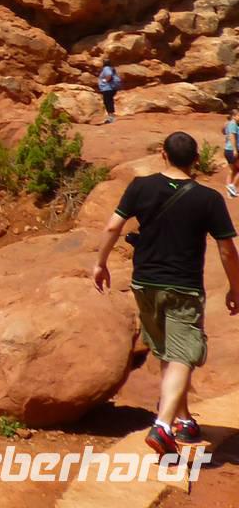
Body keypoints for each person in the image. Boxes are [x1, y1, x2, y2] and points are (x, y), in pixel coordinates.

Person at [92, 131, 239, 454]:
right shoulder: (209, 199)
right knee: (184, 353)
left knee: (167, 352)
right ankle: (162, 426)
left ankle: (182, 419)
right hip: (183, 286)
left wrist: (100, 263)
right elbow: (227, 250)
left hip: (145, 284)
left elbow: (112, 226)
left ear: (163, 154)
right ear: (196, 160)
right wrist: (235, 287)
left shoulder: (140, 187)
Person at [99, 60, 124, 125]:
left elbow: (109, 75)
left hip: (107, 88)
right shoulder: (111, 68)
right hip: (110, 88)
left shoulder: (106, 68)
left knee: (107, 102)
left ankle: (111, 117)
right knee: (109, 101)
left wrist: (105, 80)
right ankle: (111, 116)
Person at [224, 109, 239, 199]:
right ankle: (232, 187)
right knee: (235, 170)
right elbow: (232, 137)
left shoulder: (229, 124)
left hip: (227, 149)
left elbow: (225, 134)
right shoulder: (233, 124)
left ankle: (229, 192)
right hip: (232, 150)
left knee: (232, 171)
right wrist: (235, 150)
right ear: (234, 116)